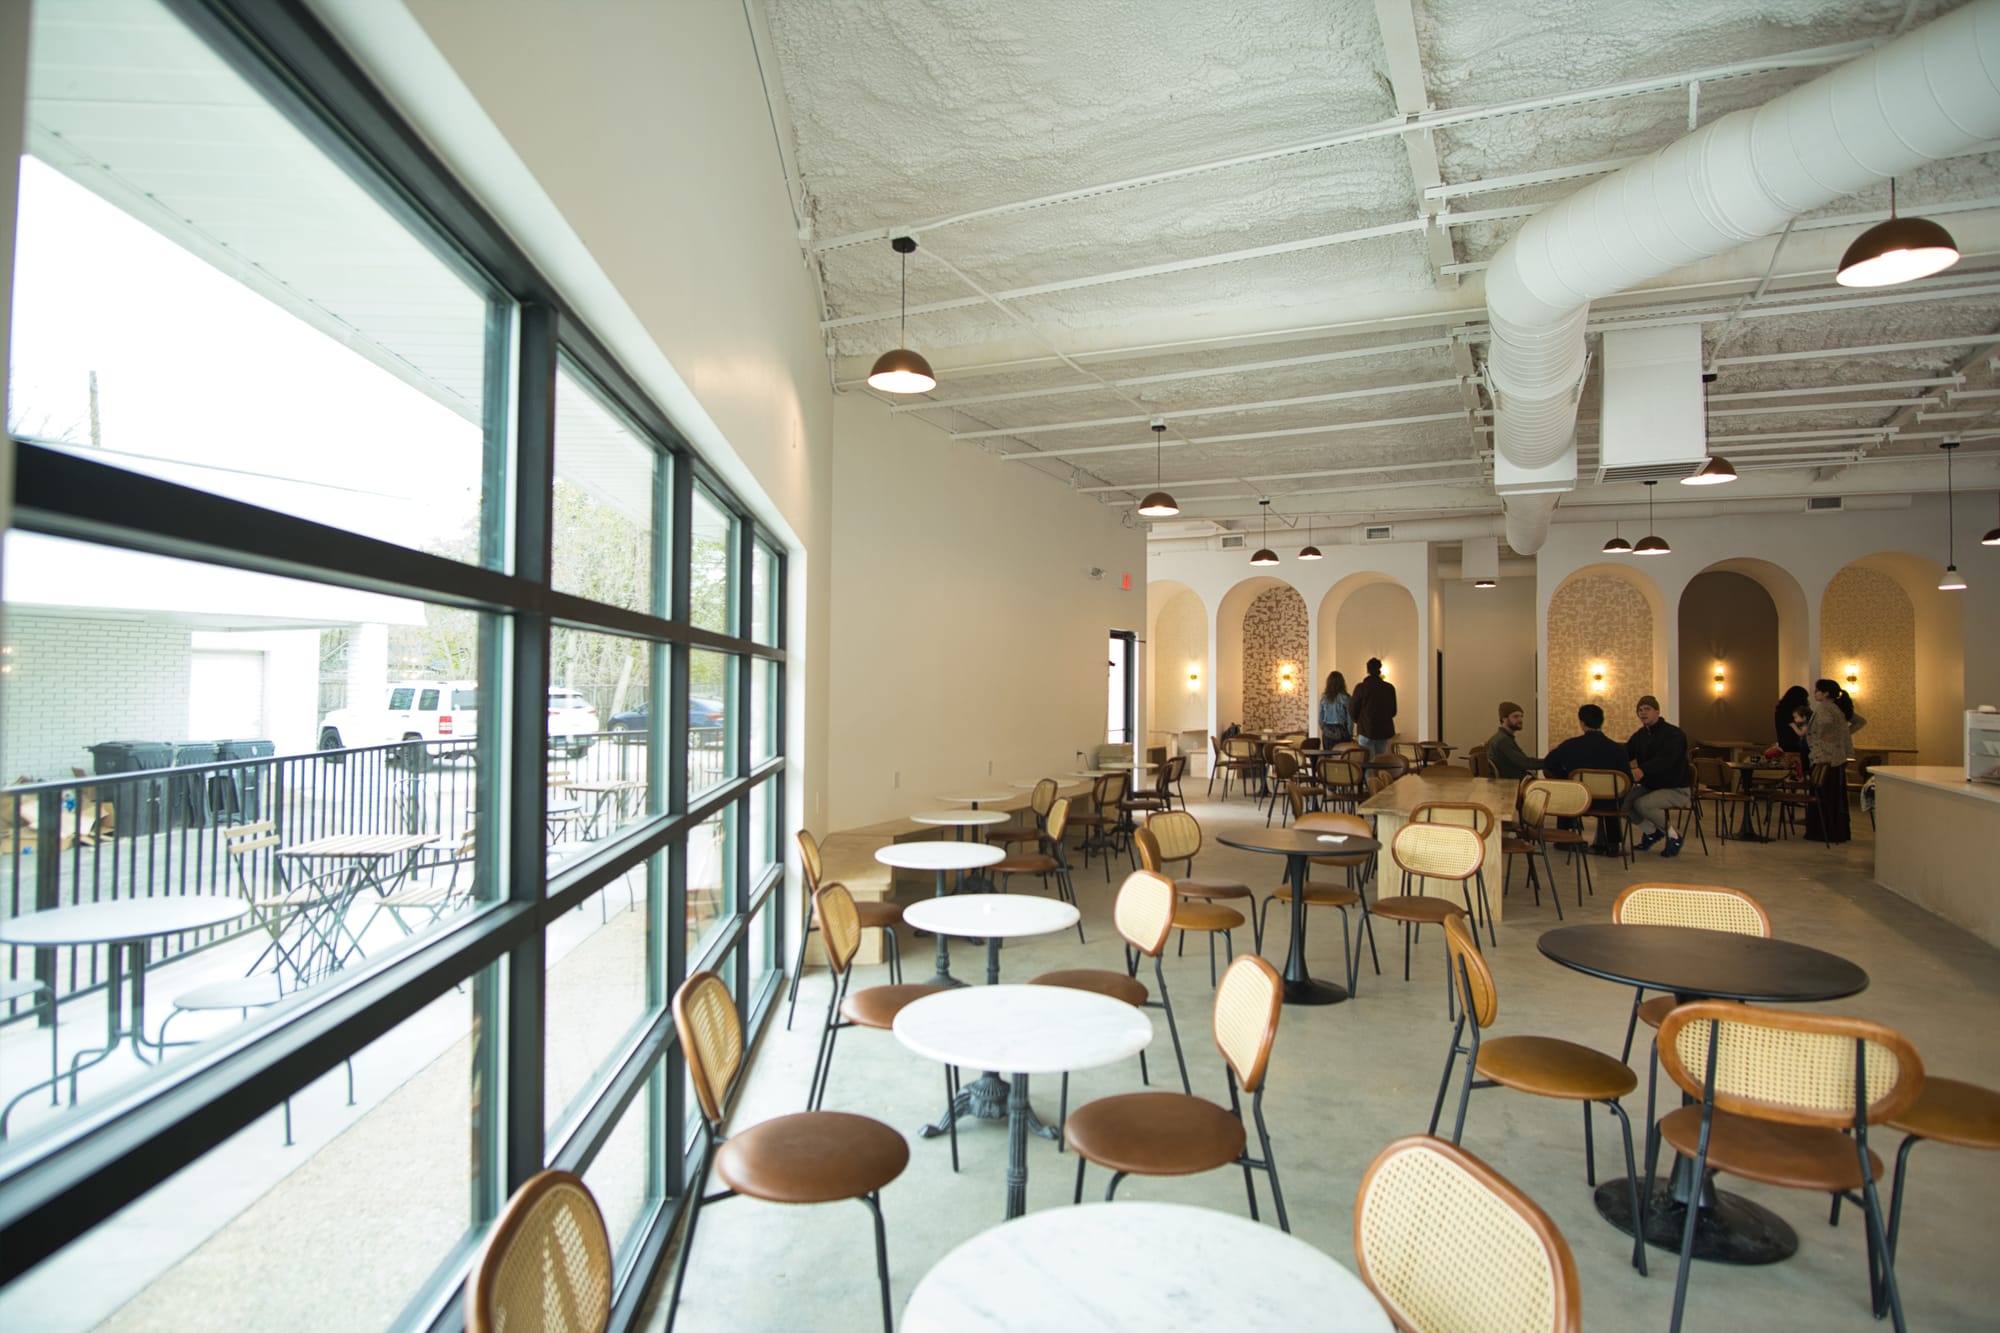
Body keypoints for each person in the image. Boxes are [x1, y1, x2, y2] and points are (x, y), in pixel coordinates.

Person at [1543, 702, 1630, 852]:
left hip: (1579, 801)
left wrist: (1568, 779)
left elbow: (1549, 764)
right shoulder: (1618, 750)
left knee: (1567, 790)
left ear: (1582, 723)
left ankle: (1564, 839)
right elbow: (1627, 779)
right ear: (1602, 722)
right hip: (1609, 804)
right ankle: (1612, 843)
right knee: (1614, 795)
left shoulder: (1570, 746)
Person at [1624, 694, 1692, 858]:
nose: (1643, 713)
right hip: (1651, 786)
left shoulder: (1674, 734)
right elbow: (1625, 753)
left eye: (1647, 709)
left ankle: (1674, 836)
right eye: (1640, 710)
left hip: (1675, 788)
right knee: (1622, 802)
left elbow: (1665, 760)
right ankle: (1651, 832)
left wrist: (1643, 770)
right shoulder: (1640, 735)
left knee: (1643, 804)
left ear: (1657, 711)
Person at [1803, 678, 1867, 843]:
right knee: (1835, 796)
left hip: (1825, 757)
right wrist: (1843, 734)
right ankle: (1836, 830)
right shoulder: (1838, 709)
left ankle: (1822, 830)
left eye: (1817, 690)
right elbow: (1857, 722)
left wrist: (1823, 738)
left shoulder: (1825, 708)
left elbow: (1823, 726)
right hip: (1836, 757)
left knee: (1824, 795)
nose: (1815, 693)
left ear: (1825, 693)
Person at [1351, 658, 1397, 757]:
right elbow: (1393, 711)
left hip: (1365, 729)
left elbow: (1353, 710)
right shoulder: (1389, 688)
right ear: (1380, 669)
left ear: (1367, 670)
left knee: (1367, 763)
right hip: (1383, 730)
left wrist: (1359, 721)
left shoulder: (1361, 688)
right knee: (1380, 761)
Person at [1486, 701, 1541, 779]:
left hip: (1510, 782)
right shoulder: (1503, 740)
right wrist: (1550, 762)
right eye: (1515, 716)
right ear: (1504, 719)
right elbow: (1525, 763)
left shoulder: (1499, 738)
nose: (1520, 719)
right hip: (1510, 785)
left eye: (1521, 716)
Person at [1318, 670, 1353, 748]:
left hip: (1327, 731)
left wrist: (1324, 728)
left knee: (1328, 756)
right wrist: (1350, 733)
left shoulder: (1324, 698)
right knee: (1342, 757)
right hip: (1341, 730)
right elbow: (1349, 718)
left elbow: (1320, 719)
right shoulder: (1345, 698)